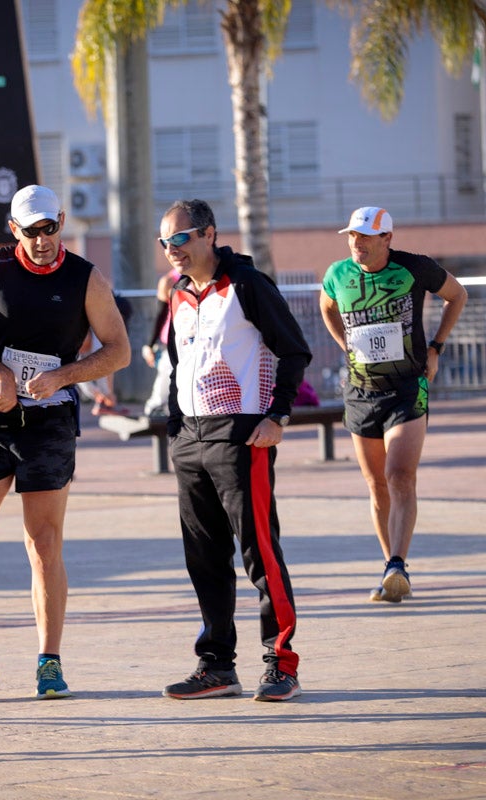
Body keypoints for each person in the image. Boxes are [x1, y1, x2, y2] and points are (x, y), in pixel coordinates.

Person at [0, 184, 130, 702]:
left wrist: (64, 375)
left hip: (50, 424)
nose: (42, 240)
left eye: (50, 228)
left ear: (61, 221)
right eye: (31, 231)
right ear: (13, 229)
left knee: (43, 544)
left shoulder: (85, 277)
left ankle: (49, 662)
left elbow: (119, 350)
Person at [158, 199, 310, 702]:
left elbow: (294, 350)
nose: (172, 249)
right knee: (203, 558)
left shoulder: (247, 285)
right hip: (191, 438)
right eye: (164, 242)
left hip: (242, 434)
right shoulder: (178, 294)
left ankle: (281, 663)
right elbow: (178, 365)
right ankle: (217, 666)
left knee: (259, 552)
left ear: (209, 234)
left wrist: (277, 415)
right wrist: (176, 428)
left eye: (180, 238)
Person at [319, 207, 468, 603]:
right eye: (352, 235)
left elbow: (457, 295)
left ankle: (398, 564)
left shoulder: (414, 268)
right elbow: (327, 307)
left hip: (406, 388)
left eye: (366, 236)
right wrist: (345, 344)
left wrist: (436, 347)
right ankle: (391, 569)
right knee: (376, 485)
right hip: (360, 391)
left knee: (399, 475)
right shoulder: (337, 274)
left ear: (387, 238)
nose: (357, 243)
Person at [141, 266, 182, 418]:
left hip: (195, 337)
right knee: (166, 371)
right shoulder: (169, 280)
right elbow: (161, 314)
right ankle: (155, 406)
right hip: (171, 338)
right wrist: (150, 344)